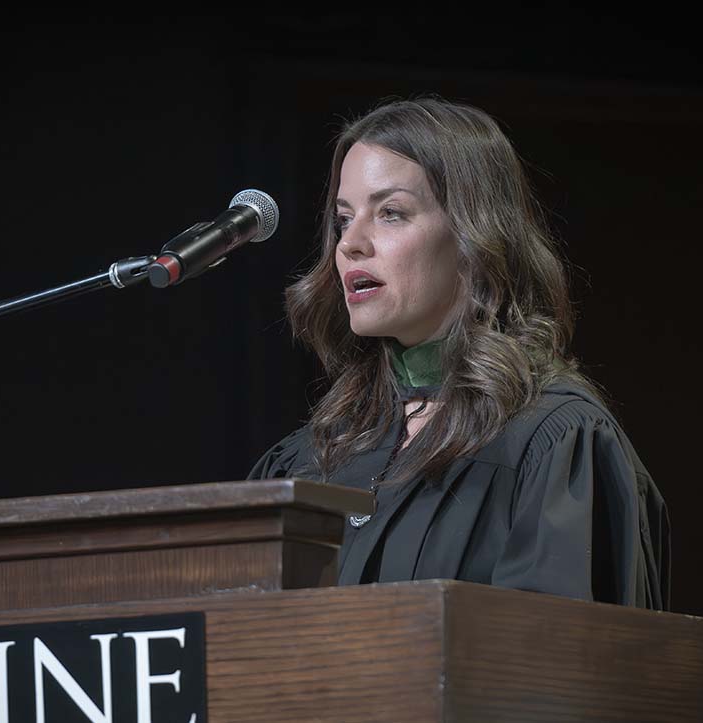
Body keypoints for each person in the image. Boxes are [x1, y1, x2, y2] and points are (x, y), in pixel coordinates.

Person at [248, 97, 669, 610]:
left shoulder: (553, 442)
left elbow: (562, 668)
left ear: (475, 236)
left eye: (391, 213)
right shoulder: (315, 454)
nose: (350, 244)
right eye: (342, 219)